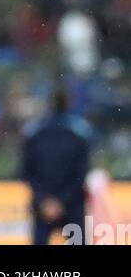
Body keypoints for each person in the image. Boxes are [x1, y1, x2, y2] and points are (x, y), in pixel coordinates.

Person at [21, 87, 93, 245]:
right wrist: (62, 200)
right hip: (72, 203)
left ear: (48, 104)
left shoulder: (34, 131)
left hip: (43, 206)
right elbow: (81, 172)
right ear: (69, 103)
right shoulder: (80, 131)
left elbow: (27, 171)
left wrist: (44, 199)